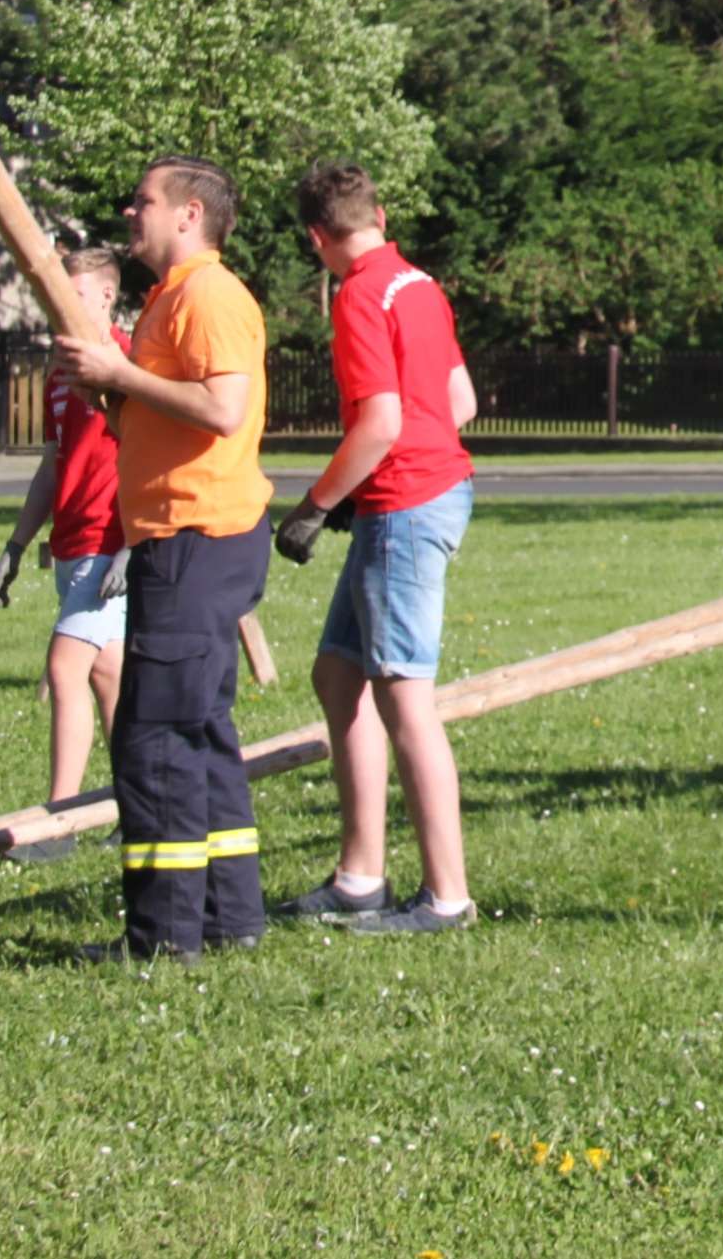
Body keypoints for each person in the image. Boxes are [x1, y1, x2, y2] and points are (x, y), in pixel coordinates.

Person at [53, 156, 273, 964]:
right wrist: (110, 393)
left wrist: (119, 372)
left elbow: (224, 407)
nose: (128, 209)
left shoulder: (208, 294)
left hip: (195, 535)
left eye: (143, 198)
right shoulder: (166, 299)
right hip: (182, 535)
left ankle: (163, 935)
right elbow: (156, 413)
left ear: (188, 214)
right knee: (200, 728)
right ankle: (228, 915)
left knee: (155, 738)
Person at [270, 162, 481, 935]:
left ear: (315, 237)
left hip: (403, 505)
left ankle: (446, 897)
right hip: (417, 494)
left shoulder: (360, 294)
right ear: (380, 216)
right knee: (338, 673)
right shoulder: (419, 283)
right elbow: (460, 402)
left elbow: (382, 423)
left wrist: (314, 506)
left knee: (405, 699)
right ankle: (360, 876)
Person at [0, 246, 129, 824]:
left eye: (74, 294)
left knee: (64, 668)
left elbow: (152, 459)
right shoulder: (61, 372)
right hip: (70, 542)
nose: (59, 307)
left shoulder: (126, 364)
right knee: (107, 678)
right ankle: (137, 810)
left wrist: (131, 544)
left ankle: (59, 821)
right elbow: (53, 463)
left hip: (107, 544)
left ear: (107, 296)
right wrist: (16, 545)